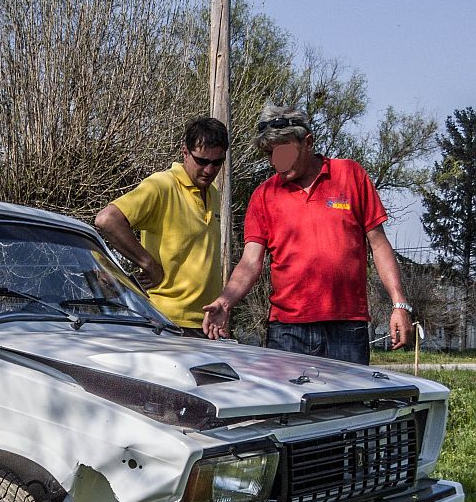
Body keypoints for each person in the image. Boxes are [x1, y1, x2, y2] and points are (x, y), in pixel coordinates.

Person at [202, 105, 412, 364]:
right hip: (287, 332)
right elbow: (250, 262)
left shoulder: (350, 175)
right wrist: (225, 302)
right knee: (287, 405)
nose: (275, 161)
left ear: (308, 142)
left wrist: (399, 304)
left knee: (347, 404)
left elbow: (379, 246)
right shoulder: (264, 196)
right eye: (270, 154)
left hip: (346, 329)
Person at [95, 116, 229, 336]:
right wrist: (148, 263)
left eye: (217, 163)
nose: (209, 170)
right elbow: (107, 220)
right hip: (165, 322)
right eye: (202, 161)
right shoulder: (162, 185)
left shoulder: (213, 192)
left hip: (205, 323)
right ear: (185, 152)